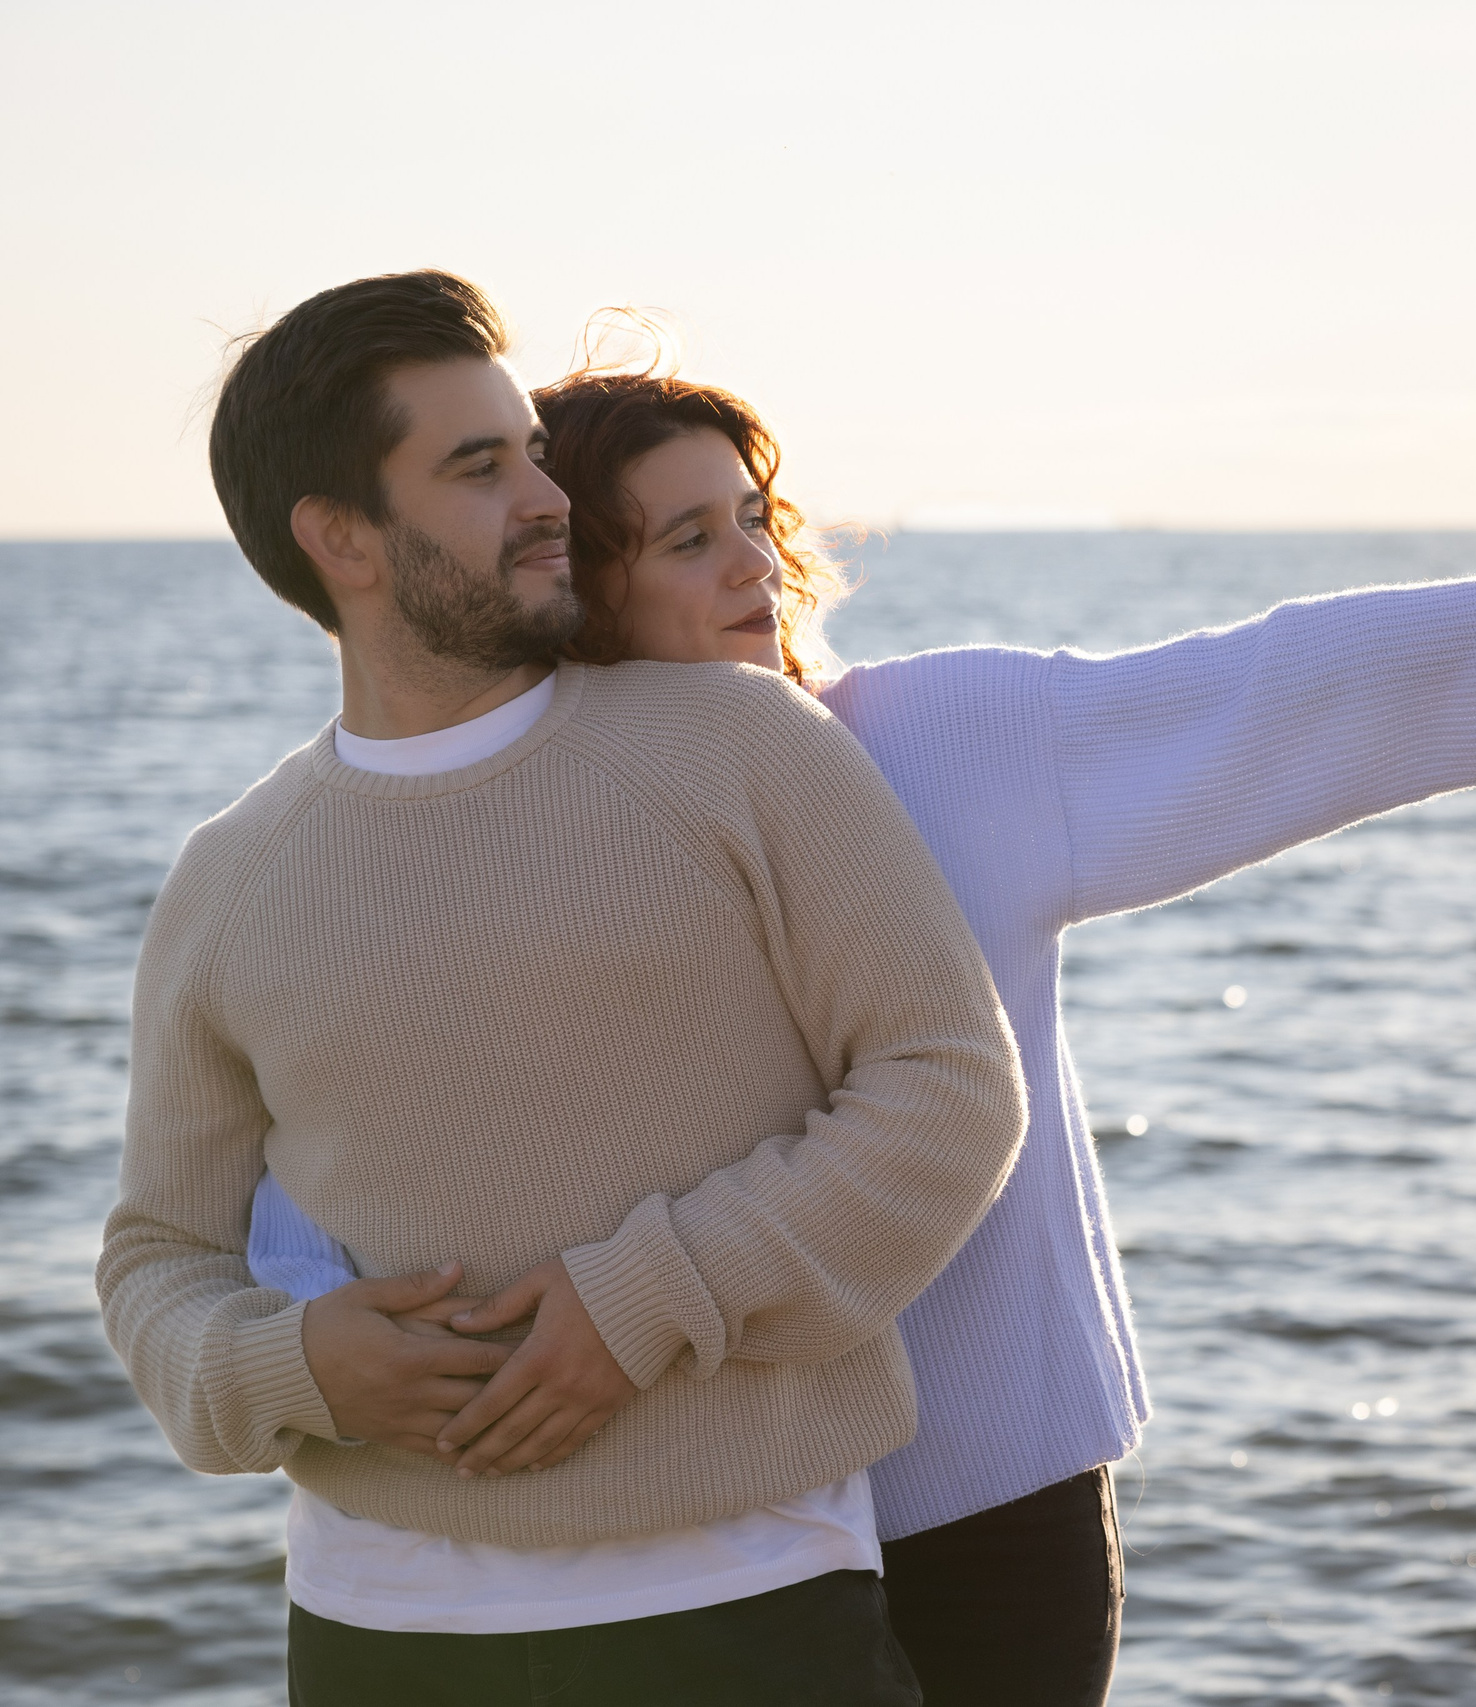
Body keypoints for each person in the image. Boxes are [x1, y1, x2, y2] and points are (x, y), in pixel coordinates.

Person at [247, 348, 1476, 1702]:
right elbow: (383, 1120)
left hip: (989, 1506)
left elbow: (1285, 688)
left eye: (751, 518)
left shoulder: (942, 741)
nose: (750, 561)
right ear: (584, 590)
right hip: (705, 1539)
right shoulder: (527, 822)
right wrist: (320, 1353)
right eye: (684, 541)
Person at [96, 272, 1030, 1707]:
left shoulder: (741, 745)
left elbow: (949, 1088)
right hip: (372, 1634)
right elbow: (159, 1261)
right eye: (480, 467)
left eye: (532, 449)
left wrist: (643, 1300)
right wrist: (292, 1363)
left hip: (747, 1598)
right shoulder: (233, 878)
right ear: (340, 537)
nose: (544, 497)